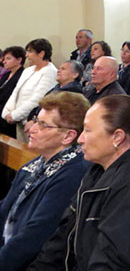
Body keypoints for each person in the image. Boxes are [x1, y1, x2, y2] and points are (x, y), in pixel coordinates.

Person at [29, 95, 130, 269]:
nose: (81, 138)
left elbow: (109, 264)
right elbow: (63, 240)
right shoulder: (99, 169)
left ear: (117, 137)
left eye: (88, 130)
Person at [0, 92, 90, 270]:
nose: (31, 128)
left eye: (43, 125)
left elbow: (35, 236)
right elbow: (5, 210)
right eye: (36, 120)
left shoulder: (73, 174)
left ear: (68, 136)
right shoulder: (37, 162)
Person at [2, 39, 57, 142]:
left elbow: (38, 99)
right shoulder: (28, 70)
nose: (26, 55)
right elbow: (16, 93)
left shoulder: (50, 72)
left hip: (31, 122)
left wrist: (15, 115)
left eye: (30, 52)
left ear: (41, 53)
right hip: (17, 121)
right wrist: (6, 113)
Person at [0, 47, 25, 137]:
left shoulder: (22, 75)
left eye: (8, 58)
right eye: (4, 59)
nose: (4, 62)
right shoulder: (7, 74)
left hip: (8, 114)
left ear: (19, 60)